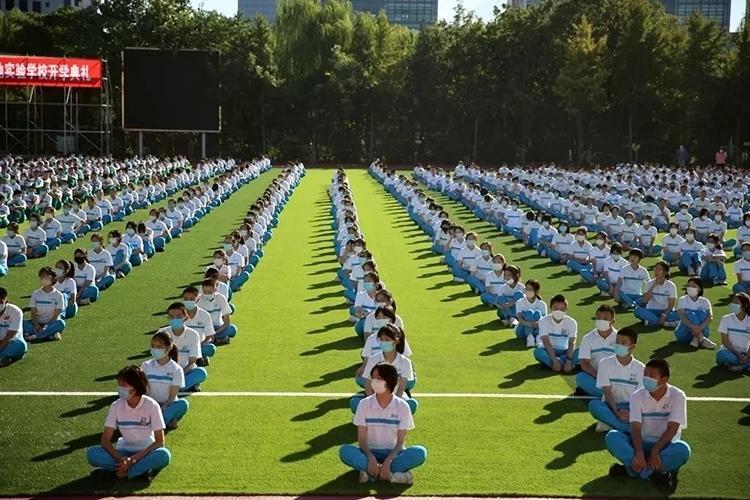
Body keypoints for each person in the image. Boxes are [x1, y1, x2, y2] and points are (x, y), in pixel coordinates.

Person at [605, 359, 690, 488]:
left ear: (664, 379)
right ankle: (654, 473)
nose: (646, 378)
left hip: (665, 447)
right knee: (612, 437)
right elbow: (635, 427)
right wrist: (639, 453)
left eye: (651, 375)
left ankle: (631, 470)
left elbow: (672, 429)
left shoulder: (678, 396)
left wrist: (655, 451)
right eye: (645, 374)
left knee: (683, 450)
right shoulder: (637, 396)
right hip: (641, 444)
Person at [339, 363, 427, 485]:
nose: (374, 382)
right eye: (373, 378)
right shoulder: (364, 404)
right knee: (345, 451)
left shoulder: (402, 407)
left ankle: (372, 474)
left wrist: (388, 461)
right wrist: (370, 458)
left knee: (420, 453)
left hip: (393, 453)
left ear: (390, 381)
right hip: (368, 452)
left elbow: (400, 443)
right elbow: (362, 441)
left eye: (379, 379)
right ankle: (392, 476)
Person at [86, 365, 171, 479]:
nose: (120, 387)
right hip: (122, 452)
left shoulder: (151, 405)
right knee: (92, 454)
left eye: (124, 384)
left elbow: (160, 442)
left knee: (163, 455)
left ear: (135, 387)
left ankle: (126, 471)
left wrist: (133, 460)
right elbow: (105, 440)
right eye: (119, 384)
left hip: (145, 453)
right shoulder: (116, 406)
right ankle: (137, 471)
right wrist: (121, 459)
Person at [352, 324, 417, 414]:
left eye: (387, 340)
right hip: (375, 396)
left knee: (411, 405)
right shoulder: (373, 360)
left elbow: (401, 388)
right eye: (381, 340)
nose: (383, 342)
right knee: (354, 404)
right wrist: (375, 402)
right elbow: (367, 384)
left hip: (396, 397)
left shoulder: (405, 362)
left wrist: (393, 403)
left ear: (396, 341)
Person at [589, 327, 644, 433]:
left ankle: (610, 423)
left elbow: (639, 397)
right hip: (610, 405)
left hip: (630, 407)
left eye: (623, 343)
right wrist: (616, 412)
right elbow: (607, 391)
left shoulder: (641, 368)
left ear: (632, 347)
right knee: (594, 405)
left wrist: (630, 412)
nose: (619, 345)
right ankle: (624, 428)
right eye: (617, 341)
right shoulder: (605, 363)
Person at [140, 332, 189, 429]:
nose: (155, 349)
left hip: (167, 406)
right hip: (150, 405)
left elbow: (172, 395)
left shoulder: (176, 369)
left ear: (168, 348)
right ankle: (164, 422)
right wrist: (152, 407)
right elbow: (144, 391)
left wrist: (163, 407)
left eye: (159, 346)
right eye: (153, 346)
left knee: (183, 404)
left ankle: (153, 424)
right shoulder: (145, 365)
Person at [159, 302, 206, 392]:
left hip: (186, 371)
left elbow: (192, 361)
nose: (175, 319)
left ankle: (174, 388)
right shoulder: (162, 333)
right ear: (168, 317)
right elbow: (158, 359)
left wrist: (179, 375)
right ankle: (185, 386)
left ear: (185, 317)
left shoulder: (193, 335)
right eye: (171, 316)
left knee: (201, 373)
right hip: (167, 373)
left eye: (178, 316)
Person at [576, 305, 617, 397]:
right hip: (595, 376)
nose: (601, 321)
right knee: (580, 377)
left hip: (615, 379)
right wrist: (601, 378)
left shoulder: (620, 339)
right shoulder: (587, 338)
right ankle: (609, 396)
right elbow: (585, 364)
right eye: (599, 318)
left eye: (605, 318)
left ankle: (601, 394)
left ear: (613, 321)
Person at [533, 294, 577, 372]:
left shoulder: (572, 322)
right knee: (538, 352)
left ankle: (552, 365)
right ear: (551, 309)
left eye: (562, 309)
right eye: (555, 308)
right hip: (547, 350)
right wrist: (554, 359)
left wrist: (569, 359)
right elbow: (546, 342)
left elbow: (572, 342)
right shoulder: (543, 321)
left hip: (564, 351)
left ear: (566, 310)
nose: (558, 311)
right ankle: (562, 365)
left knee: (579, 351)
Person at [23, 267, 66, 342]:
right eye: (42, 276)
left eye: (46, 276)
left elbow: (56, 315)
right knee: (22, 323)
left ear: (53, 278)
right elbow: (33, 313)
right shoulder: (35, 294)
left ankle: (36, 336)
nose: (44, 278)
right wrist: (36, 325)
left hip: (51, 323)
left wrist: (46, 326)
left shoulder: (59, 295)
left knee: (61, 323)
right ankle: (49, 335)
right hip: (37, 323)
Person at [633, 262, 677, 328]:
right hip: (651, 310)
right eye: (655, 269)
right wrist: (654, 285)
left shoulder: (671, 286)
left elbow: (671, 306)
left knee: (679, 314)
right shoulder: (649, 284)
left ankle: (651, 320)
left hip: (665, 311)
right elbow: (645, 301)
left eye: (659, 269)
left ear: (665, 272)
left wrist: (664, 315)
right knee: (637, 310)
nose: (656, 271)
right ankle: (663, 323)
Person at [715, 293, 750, 372]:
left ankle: (739, 367)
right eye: (733, 302)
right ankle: (745, 366)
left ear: (745, 305)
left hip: (746, 352)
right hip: (730, 351)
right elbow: (725, 342)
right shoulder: (726, 319)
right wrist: (738, 355)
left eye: (736, 303)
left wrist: (747, 356)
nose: (733, 304)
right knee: (722, 355)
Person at [196, 278, 236, 344]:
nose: (206, 294)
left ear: (215, 289)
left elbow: (227, 322)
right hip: (204, 328)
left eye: (209, 292)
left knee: (232, 329)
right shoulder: (198, 300)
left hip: (218, 327)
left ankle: (213, 339)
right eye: (204, 292)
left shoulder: (220, 298)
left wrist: (214, 333)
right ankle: (217, 340)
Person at [182, 286, 216, 362]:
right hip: (183, 348)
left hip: (200, 345)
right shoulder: (179, 315)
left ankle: (197, 358)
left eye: (191, 299)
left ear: (197, 299)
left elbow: (209, 336)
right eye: (186, 299)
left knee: (210, 348)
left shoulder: (205, 315)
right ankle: (198, 359)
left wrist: (199, 345)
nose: (188, 301)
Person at [514, 279, 547, 347]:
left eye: (531, 289)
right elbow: (520, 319)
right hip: (522, 330)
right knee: (529, 313)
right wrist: (530, 324)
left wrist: (536, 324)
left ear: (536, 291)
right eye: (527, 289)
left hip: (537, 329)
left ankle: (538, 337)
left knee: (538, 313)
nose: (528, 291)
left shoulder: (542, 304)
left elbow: (544, 322)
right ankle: (530, 337)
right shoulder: (520, 302)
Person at [0, 288, 26, 367]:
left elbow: (10, 335)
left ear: (6, 301)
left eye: (0, 302)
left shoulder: (15, 311)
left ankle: (3, 357)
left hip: (12, 342)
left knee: (18, 346)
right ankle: (3, 359)